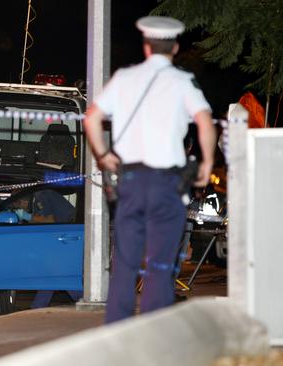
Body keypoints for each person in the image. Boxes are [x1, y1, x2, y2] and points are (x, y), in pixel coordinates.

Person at [84, 16, 216, 324]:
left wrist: (103, 156)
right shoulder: (182, 82)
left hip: (129, 181)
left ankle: (116, 333)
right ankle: (153, 337)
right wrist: (207, 163)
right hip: (167, 185)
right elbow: (206, 123)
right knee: (159, 264)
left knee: (125, 263)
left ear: (146, 46)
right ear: (176, 48)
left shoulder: (124, 78)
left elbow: (91, 118)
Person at [11, 189, 82, 308]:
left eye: (18, 206)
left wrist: (27, 217)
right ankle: (39, 305)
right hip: (65, 233)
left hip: (68, 234)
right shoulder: (39, 198)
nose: (22, 209)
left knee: (56, 271)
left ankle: (81, 297)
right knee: (54, 273)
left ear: (23, 200)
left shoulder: (41, 197)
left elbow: (50, 221)